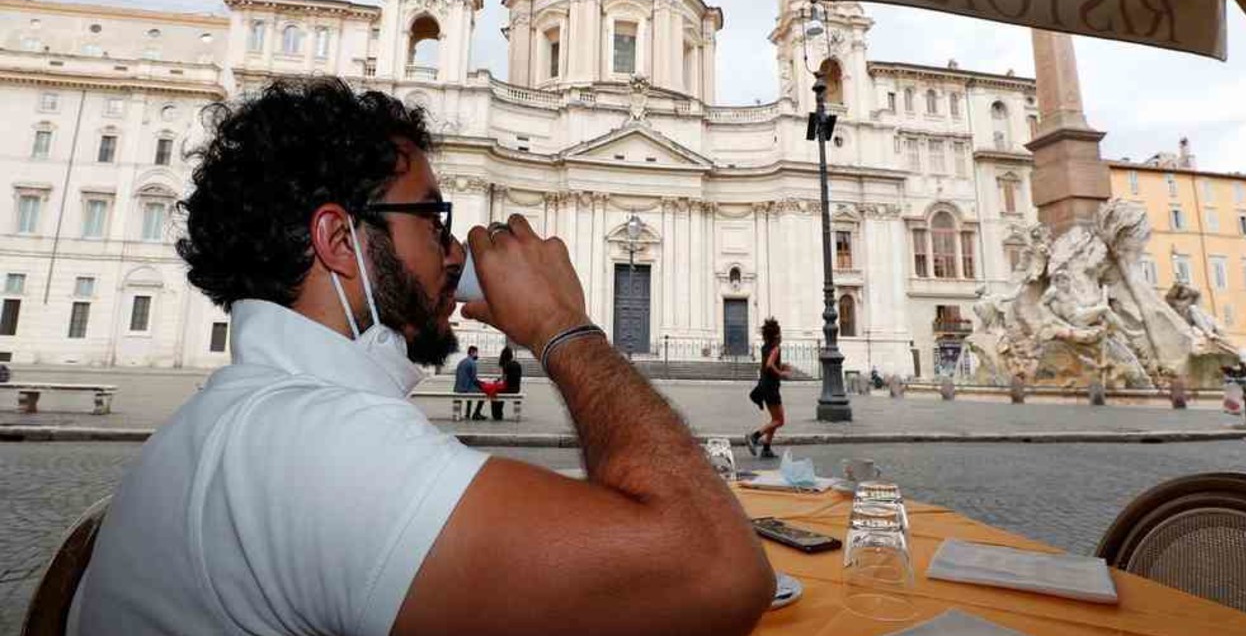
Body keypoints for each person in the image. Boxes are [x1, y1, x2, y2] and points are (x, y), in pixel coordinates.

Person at [68, 78, 773, 636]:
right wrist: (562, 325)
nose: (457, 252)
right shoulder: (318, 445)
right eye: (433, 220)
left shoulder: (257, 416)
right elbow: (715, 569)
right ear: (339, 241)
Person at [746, 318, 792, 459]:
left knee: (775, 419)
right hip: (771, 388)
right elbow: (769, 365)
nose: (781, 336)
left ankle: (766, 448)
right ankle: (754, 436)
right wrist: (781, 373)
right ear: (776, 335)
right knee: (779, 421)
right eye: (780, 333)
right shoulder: (776, 348)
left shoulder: (765, 347)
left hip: (765, 386)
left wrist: (781, 366)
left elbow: (768, 364)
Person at [454, 345, 487, 420]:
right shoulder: (472, 363)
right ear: (472, 353)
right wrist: (482, 384)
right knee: (483, 393)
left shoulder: (462, 361)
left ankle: (468, 413)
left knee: (471, 390)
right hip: (466, 388)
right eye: (476, 353)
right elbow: (474, 379)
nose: (477, 355)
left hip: (458, 387)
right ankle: (477, 413)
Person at [491, 346, 523, 421]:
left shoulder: (506, 365)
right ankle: (503, 413)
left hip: (509, 389)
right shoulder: (517, 364)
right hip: (517, 389)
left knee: (494, 392)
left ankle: (497, 414)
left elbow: (504, 379)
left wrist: (497, 381)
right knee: (501, 392)